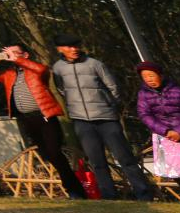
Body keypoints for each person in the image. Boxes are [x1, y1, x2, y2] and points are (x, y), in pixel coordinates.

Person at [51, 35, 154, 201]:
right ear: (60, 49)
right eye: (69, 47)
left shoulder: (95, 64)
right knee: (97, 162)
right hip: (81, 121)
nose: (74, 49)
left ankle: (144, 195)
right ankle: (108, 197)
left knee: (125, 158)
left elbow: (113, 87)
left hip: (106, 119)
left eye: (76, 45)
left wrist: (108, 106)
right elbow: (61, 90)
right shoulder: (57, 68)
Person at [0, 43, 86, 198]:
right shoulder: (10, 74)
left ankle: (75, 190)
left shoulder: (35, 70)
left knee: (54, 153)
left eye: (15, 53)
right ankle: (73, 187)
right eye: (8, 53)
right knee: (47, 154)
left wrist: (17, 60)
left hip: (44, 115)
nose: (10, 56)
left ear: (25, 55)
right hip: (26, 119)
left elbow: (43, 70)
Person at [135, 61, 180, 200]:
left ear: (160, 75)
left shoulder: (179, 91)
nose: (149, 79)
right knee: (176, 172)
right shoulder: (143, 95)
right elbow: (145, 115)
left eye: (151, 75)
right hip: (165, 137)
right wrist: (165, 131)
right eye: (145, 77)